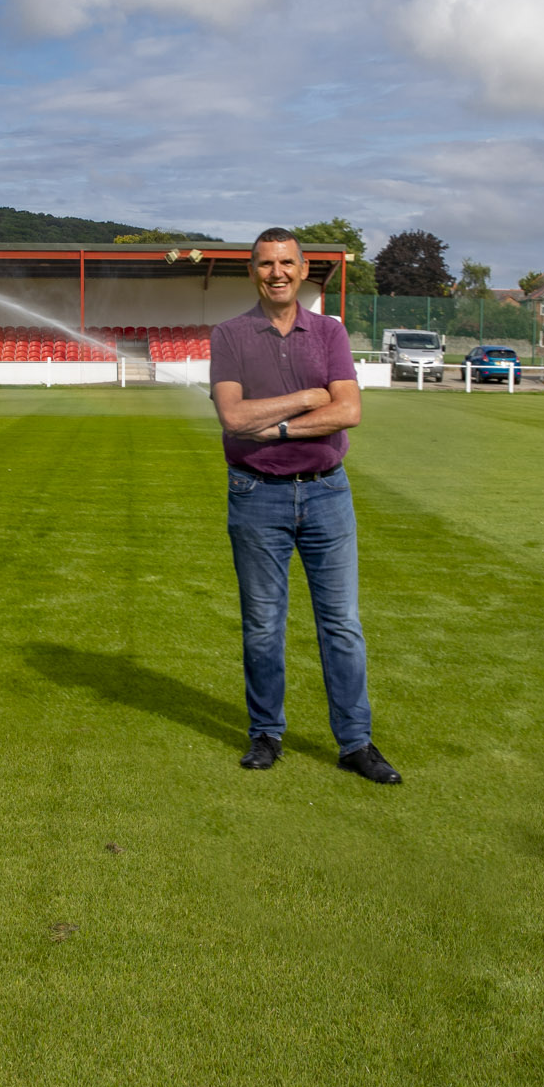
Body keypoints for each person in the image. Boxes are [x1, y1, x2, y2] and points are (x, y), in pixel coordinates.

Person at [209, 228, 399, 784]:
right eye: (266, 264)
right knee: (263, 625)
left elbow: (349, 412)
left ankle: (355, 744)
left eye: (287, 262)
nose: (277, 273)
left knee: (342, 625)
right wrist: (310, 398)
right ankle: (266, 734)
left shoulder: (329, 332)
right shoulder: (229, 334)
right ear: (252, 271)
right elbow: (233, 418)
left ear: (303, 268)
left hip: (326, 493)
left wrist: (278, 426)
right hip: (256, 495)